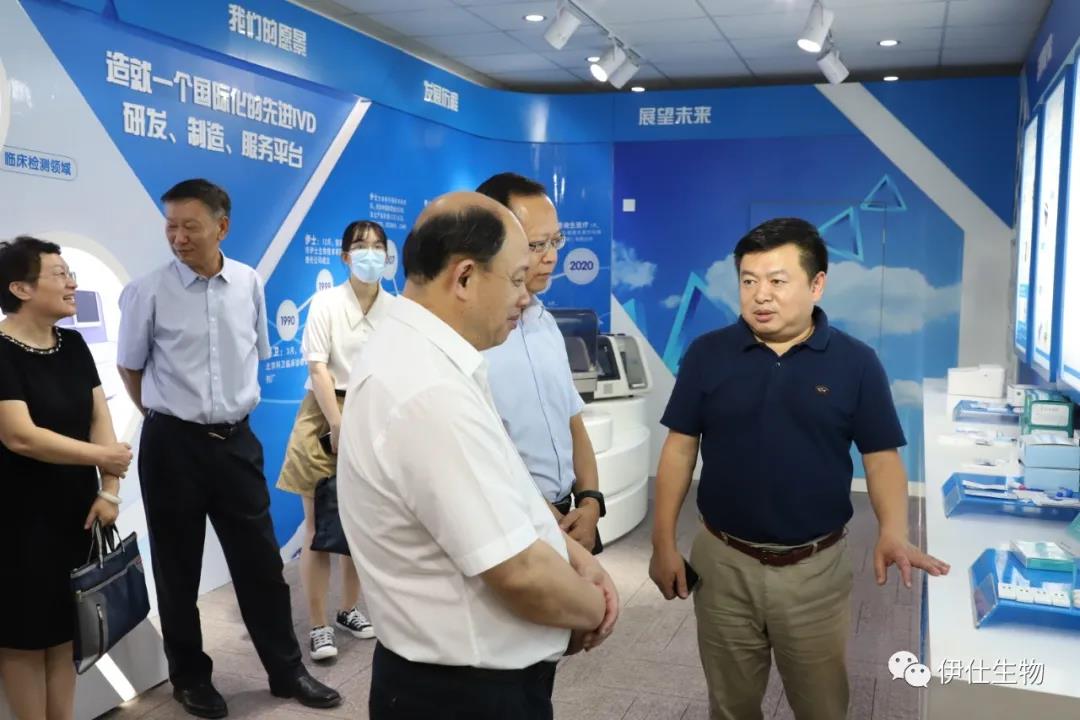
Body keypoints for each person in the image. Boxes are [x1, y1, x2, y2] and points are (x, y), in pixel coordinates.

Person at [647, 218, 951, 720]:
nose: (760, 295)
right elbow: (680, 449)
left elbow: (881, 458)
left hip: (814, 569)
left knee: (822, 706)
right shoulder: (707, 354)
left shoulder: (856, 363)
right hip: (723, 563)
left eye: (777, 280)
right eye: (748, 280)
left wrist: (893, 531)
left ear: (816, 284)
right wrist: (662, 544)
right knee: (730, 705)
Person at [336, 191, 619, 720]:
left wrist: (577, 560)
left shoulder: (433, 359)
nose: (525, 297)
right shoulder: (427, 391)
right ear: (464, 277)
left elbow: (510, 498)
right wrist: (596, 607)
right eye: (516, 279)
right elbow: (519, 572)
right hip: (461, 693)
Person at [116, 179, 341, 718]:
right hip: (173, 445)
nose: (178, 237)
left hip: (236, 441)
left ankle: (286, 671)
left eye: (189, 226)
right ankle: (190, 678)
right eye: (171, 226)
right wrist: (163, 416)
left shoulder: (248, 282)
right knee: (177, 568)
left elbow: (255, 351)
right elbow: (130, 366)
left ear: (221, 227)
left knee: (260, 563)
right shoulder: (149, 291)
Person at [0, 237, 133, 720]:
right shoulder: (2, 352)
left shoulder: (72, 344)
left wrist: (109, 491)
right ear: (20, 288)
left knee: (64, 632)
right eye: (59, 274)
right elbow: (20, 436)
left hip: (75, 512)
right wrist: (104, 457)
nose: (72, 283)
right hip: (17, 520)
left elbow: (101, 418)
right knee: (22, 639)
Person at [276, 219, 393, 660]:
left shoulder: (395, 308)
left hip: (373, 412)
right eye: (361, 246)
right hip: (324, 413)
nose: (370, 253)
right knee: (318, 528)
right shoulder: (326, 303)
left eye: (378, 246)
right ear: (345, 257)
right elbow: (317, 367)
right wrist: (338, 424)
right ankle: (318, 625)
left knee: (359, 525)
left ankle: (348, 609)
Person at [477, 173, 604, 554]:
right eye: (536, 245)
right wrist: (542, 516)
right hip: (509, 523)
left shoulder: (545, 323)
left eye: (555, 241)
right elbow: (483, 454)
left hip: (566, 514)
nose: (551, 257)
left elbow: (573, 423)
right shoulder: (473, 340)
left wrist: (591, 501)